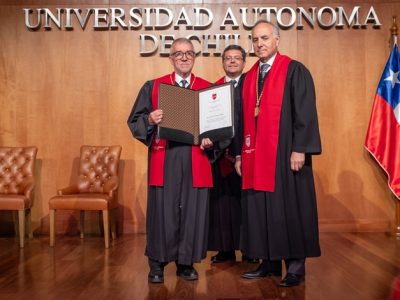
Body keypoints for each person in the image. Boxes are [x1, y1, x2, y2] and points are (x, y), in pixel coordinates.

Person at [234, 20, 322, 287]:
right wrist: (239, 155)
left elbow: (305, 112)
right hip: (255, 155)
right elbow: (240, 119)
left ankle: (294, 267)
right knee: (261, 208)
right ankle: (268, 263)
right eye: (255, 39)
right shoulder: (249, 77)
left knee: (291, 208)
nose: (259, 44)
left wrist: (300, 149)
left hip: (285, 154)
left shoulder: (295, 70)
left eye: (264, 38)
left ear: (277, 40)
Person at [127, 38, 214, 283]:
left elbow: (219, 127)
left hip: (196, 156)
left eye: (188, 54)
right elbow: (135, 121)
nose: (184, 58)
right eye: (178, 54)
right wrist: (150, 120)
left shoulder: (207, 88)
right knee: (162, 212)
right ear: (171, 58)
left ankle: (185, 264)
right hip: (164, 155)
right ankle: (157, 264)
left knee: (192, 211)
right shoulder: (153, 87)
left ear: (195, 57)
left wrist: (213, 140)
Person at [208, 45, 258, 264]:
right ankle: (225, 249)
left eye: (236, 58)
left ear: (244, 62)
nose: (232, 62)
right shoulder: (213, 89)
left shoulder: (253, 86)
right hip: (220, 156)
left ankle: (250, 250)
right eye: (227, 58)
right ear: (222, 62)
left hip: (247, 153)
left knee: (247, 204)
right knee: (222, 204)